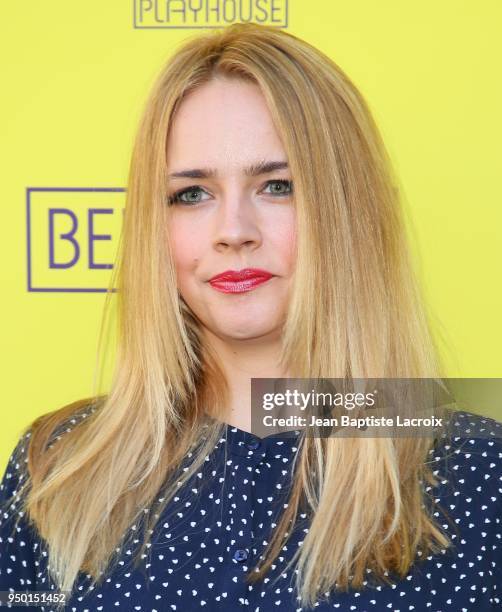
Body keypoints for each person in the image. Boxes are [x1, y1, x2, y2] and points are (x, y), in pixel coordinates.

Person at [1, 22, 501, 612]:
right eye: (192, 193)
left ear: (347, 211)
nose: (233, 231)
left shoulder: (479, 474)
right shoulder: (57, 467)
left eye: (277, 186)